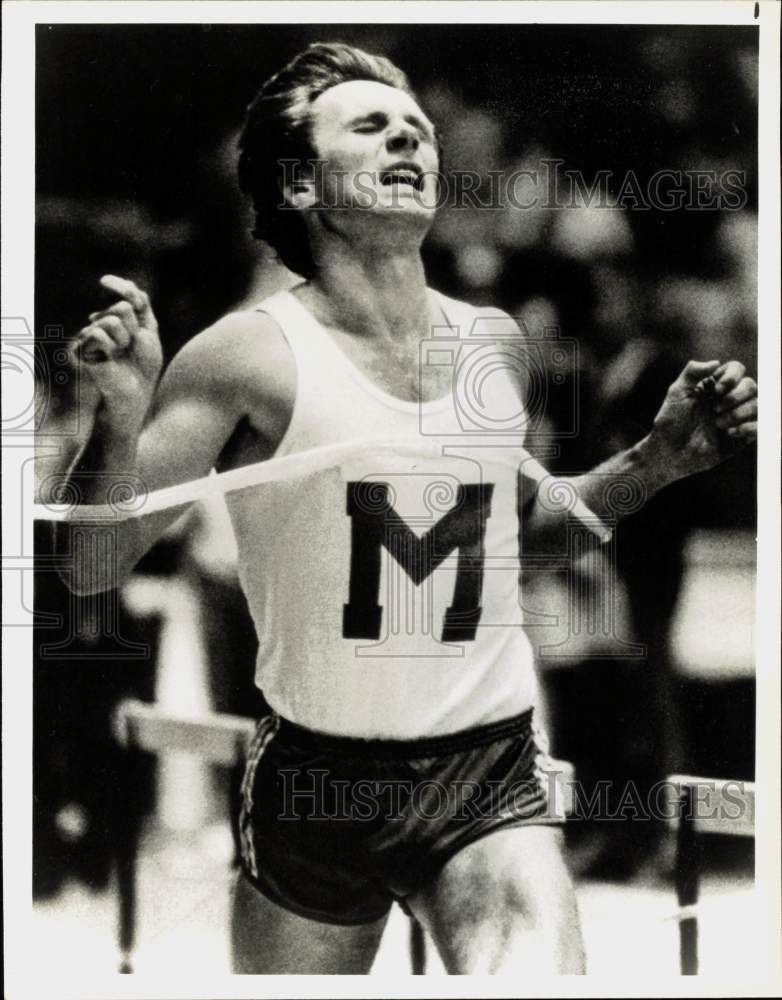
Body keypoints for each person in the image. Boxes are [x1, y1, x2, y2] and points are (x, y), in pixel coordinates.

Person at [55, 43, 757, 975]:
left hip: (486, 772)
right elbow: (90, 567)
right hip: (315, 782)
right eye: (373, 124)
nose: (409, 137)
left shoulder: (491, 343)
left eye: (418, 127)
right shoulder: (243, 356)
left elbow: (505, 547)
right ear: (301, 185)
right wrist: (120, 418)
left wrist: (655, 461)